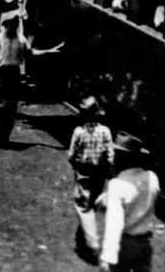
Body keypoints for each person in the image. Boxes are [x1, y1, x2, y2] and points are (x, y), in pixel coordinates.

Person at [0, 14, 62, 148]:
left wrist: (49, 51)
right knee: (0, 107)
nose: (13, 27)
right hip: (1, 73)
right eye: (11, 24)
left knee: (11, 107)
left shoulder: (21, 40)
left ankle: (4, 138)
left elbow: (31, 53)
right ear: (6, 25)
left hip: (13, 74)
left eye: (15, 25)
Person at [99, 132, 160, 272]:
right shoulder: (152, 178)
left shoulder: (117, 185)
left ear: (124, 157)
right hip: (144, 245)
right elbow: (139, 199)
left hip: (124, 245)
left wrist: (107, 257)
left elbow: (115, 223)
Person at [68, 96, 114, 263]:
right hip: (99, 174)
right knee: (91, 204)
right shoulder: (106, 131)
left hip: (84, 173)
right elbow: (110, 155)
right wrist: (108, 170)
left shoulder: (79, 132)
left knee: (83, 208)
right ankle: (83, 241)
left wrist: (76, 166)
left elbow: (71, 154)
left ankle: (92, 245)